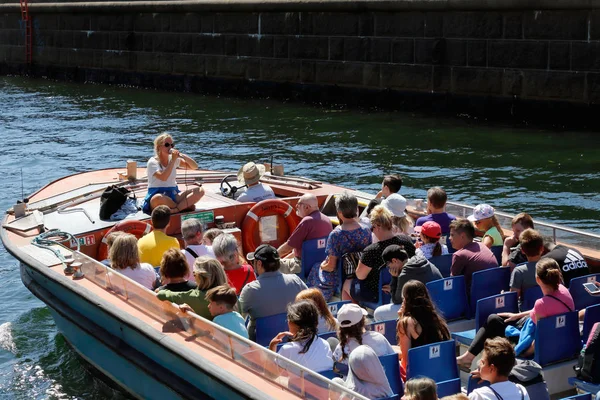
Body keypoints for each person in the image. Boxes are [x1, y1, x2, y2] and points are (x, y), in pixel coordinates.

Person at [456, 258, 574, 369]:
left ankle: (470, 359)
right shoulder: (564, 291)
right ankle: (472, 358)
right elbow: (541, 312)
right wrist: (517, 315)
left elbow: (539, 338)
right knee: (498, 319)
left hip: (538, 343)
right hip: (559, 338)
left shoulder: (541, 304)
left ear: (538, 279)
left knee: (493, 321)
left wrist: (521, 353)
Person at [343, 205, 416, 303]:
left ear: (378, 226)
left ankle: (354, 315)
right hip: (403, 287)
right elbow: (412, 266)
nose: (371, 230)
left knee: (347, 284)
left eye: (372, 227)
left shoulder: (371, 251)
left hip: (377, 293)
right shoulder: (407, 241)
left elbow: (360, 276)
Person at [307, 192, 371, 301]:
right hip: (360, 273)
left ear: (339, 213)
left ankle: (315, 300)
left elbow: (331, 266)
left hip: (341, 276)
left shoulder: (336, 234)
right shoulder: (366, 230)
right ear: (357, 210)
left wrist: (322, 266)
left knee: (315, 267)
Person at [239, 244, 308, 340]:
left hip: (261, 347)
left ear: (259, 264)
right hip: (294, 342)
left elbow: (238, 318)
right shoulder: (295, 281)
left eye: (253, 262)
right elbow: (310, 305)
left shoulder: (250, 290)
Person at [374, 246, 443, 322]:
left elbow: (396, 300)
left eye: (388, 265)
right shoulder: (425, 261)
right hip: (440, 305)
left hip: (425, 311)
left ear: (394, 261)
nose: (389, 268)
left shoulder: (405, 274)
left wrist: (394, 278)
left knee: (378, 313)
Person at [141, 133, 204, 214]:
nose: (170, 147)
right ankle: (183, 206)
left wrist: (182, 155)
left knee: (200, 190)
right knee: (158, 198)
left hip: (173, 193)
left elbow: (194, 166)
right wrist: (173, 160)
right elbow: (163, 177)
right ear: (159, 147)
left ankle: (176, 209)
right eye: (167, 145)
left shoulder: (173, 159)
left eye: (172, 145)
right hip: (158, 195)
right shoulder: (152, 162)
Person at [396, 280, 451, 373]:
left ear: (406, 299)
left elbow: (406, 363)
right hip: (440, 371)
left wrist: (401, 318)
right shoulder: (437, 320)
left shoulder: (406, 323)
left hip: (418, 376)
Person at [268, 300, 333, 373]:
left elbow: (271, 375)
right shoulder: (325, 344)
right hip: (323, 384)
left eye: (289, 319)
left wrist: (271, 348)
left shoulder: (287, 349)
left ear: (292, 322)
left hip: (299, 384)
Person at [157, 256, 228, 320]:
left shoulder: (196, 297)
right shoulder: (229, 294)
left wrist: (160, 289)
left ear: (201, 277)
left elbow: (161, 294)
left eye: (194, 274)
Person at [277, 194, 333, 274]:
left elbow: (288, 247)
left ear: (306, 207)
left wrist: (273, 255)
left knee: (266, 265)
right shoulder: (327, 220)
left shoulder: (307, 222)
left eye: (299, 204)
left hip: (301, 266)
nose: (296, 206)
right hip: (320, 264)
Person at [449, 218, 498, 293]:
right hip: (492, 292)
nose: (449, 238)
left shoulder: (459, 255)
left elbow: (452, 284)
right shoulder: (482, 245)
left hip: (472, 297)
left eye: (452, 235)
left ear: (462, 236)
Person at [510, 229, 544, 307]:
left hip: (526, 313)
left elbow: (513, 298)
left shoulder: (519, 271)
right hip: (548, 309)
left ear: (522, 251)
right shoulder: (552, 265)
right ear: (542, 248)